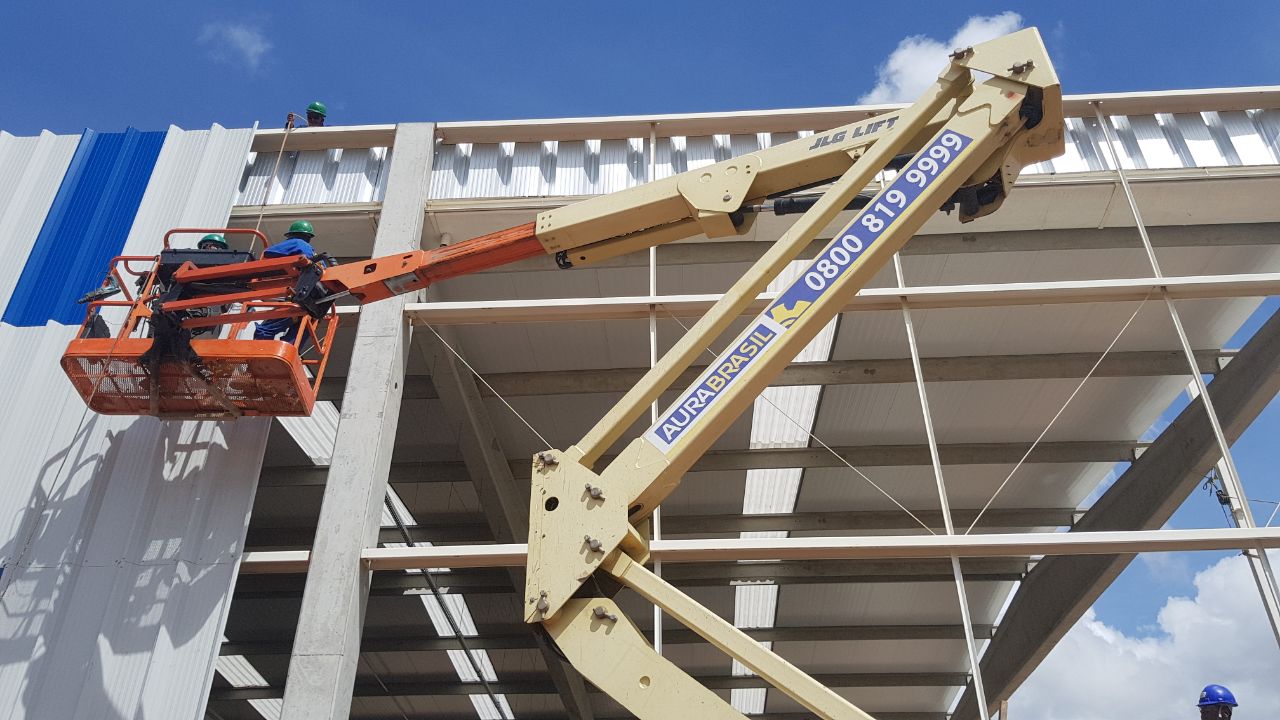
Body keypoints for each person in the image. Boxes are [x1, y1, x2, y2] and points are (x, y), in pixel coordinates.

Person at [254, 220, 320, 344]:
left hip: (297, 301)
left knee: (264, 330)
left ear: (290, 235)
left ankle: (262, 353)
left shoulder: (296, 243)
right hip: (314, 307)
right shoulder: (316, 257)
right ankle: (287, 355)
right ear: (309, 237)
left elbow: (269, 252)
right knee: (296, 336)